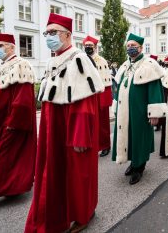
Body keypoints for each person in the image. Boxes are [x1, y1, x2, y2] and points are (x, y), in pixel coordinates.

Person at [25, 13, 104, 233]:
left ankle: (83, 213)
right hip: (53, 125)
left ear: (68, 35)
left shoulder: (78, 59)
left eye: (53, 33)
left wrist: (80, 135)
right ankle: (56, 211)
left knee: (77, 174)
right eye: (47, 33)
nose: (49, 37)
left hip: (72, 127)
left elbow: (85, 103)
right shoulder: (53, 60)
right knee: (54, 171)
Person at [112, 33, 165, 185]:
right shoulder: (125, 65)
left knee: (139, 138)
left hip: (140, 112)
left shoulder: (149, 64)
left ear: (141, 48)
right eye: (128, 46)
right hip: (124, 111)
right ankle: (132, 162)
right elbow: (118, 88)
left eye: (133, 46)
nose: (130, 48)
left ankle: (139, 167)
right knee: (129, 137)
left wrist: (154, 114)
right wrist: (115, 106)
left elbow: (154, 91)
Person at [0, 33, 36, 206]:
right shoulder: (4, 66)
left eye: (0, 46)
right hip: (3, 122)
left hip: (13, 123)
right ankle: (11, 187)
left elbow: (23, 100)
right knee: (4, 156)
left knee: (3, 156)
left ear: (11, 46)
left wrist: (13, 123)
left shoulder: (21, 65)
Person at [83, 35, 113, 157]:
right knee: (89, 123)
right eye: (86, 46)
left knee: (102, 124)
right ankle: (91, 145)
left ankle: (105, 145)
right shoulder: (82, 59)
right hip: (86, 95)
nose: (88, 48)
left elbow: (106, 83)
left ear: (95, 47)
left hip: (99, 96)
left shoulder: (101, 61)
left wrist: (105, 100)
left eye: (90, 46)